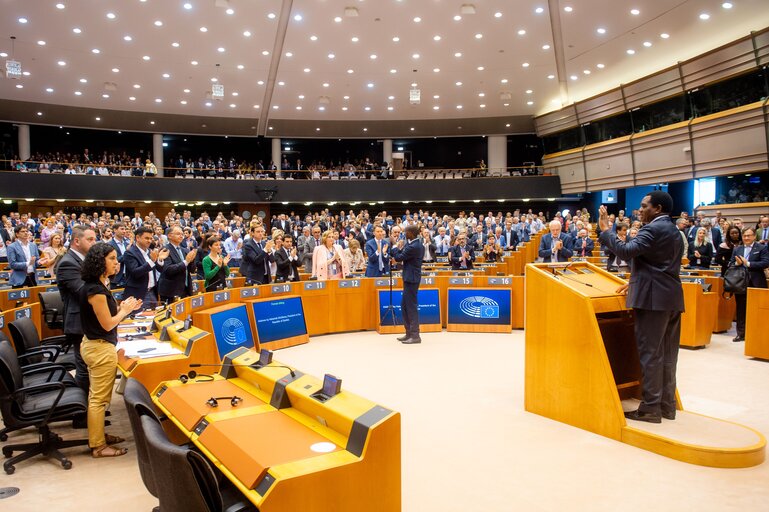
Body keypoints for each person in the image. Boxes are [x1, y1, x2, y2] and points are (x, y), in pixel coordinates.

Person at [598, 191, 684, 424]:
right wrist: (634, 282)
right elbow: (659, 265)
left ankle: (649, 409)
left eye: (644, 205)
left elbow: (626, 251)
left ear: (656, 208)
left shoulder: (652, 229)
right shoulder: (674, 230)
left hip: (652, 300)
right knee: (667, 354)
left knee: (650, 355)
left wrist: (606, 230)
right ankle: (666, 405)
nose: (640, 209)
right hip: (671, 298)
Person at [79, 242, 141, 457]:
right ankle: (98, 446)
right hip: (100, 348)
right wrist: (124, 311)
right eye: (112, 258)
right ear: (100, 261)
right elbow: (107, 324)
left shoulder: (99, 284)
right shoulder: (95, 290)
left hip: (97, 345)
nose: (117, 262)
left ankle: (99, 436)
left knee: (98, 397)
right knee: (99, 399)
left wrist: (126, 307)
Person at [55, 226, 97, 391]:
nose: (94, 243)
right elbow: (83, 292)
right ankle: (82, 413)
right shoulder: (67, 263)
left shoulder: (82, 260)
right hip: (79, 323)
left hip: (88, 321)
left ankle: (91, 407)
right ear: (77, 241)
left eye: (95, 239)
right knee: (84, 369)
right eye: (90, 239)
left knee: (90, 367)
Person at [729, 227, 769, 342]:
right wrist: (736, 263)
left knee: (758, 310)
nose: (746, 238)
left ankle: (757, 333)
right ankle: (740, 334)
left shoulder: (762, 248)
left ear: (754, 236)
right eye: (745, 235)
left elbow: (766, 262)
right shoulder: (738, 249)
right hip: (740, 283)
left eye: (749, 235)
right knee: (741, 309)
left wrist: (749, 264)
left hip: (756, 282)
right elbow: (731, 263)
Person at [391, 224, 424, 344]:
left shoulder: (414, 246)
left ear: (411, 233)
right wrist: (398, 249)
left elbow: (399, 257)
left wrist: (394, 245)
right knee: (404, 305)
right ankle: (408, 333)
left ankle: (415, 336)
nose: (404, 234)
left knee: (411, 307)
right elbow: (403, 254)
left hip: (412, 279)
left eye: (405, 232)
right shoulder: (413, 244)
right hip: (409, 278)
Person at [123, 226, 168, 309]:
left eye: (151, 238)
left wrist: (160, 259)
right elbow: (136, 272)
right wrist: (151, 261)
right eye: (146, 238)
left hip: (152, 291)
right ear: (137, 238)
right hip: (138, 294)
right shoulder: (129, 253)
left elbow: (160, 269)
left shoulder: (150, 252)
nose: (149, 241)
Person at [157, 226, 197, 303]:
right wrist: (186, 261)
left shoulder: (185, 250)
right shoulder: (165, 250)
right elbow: (168, 270)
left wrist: (192, 260)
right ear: (169, 235)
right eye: (178, 234)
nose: (181, 236)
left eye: (182, 234)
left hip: (186, 289)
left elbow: (192, 270)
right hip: (171, 291)